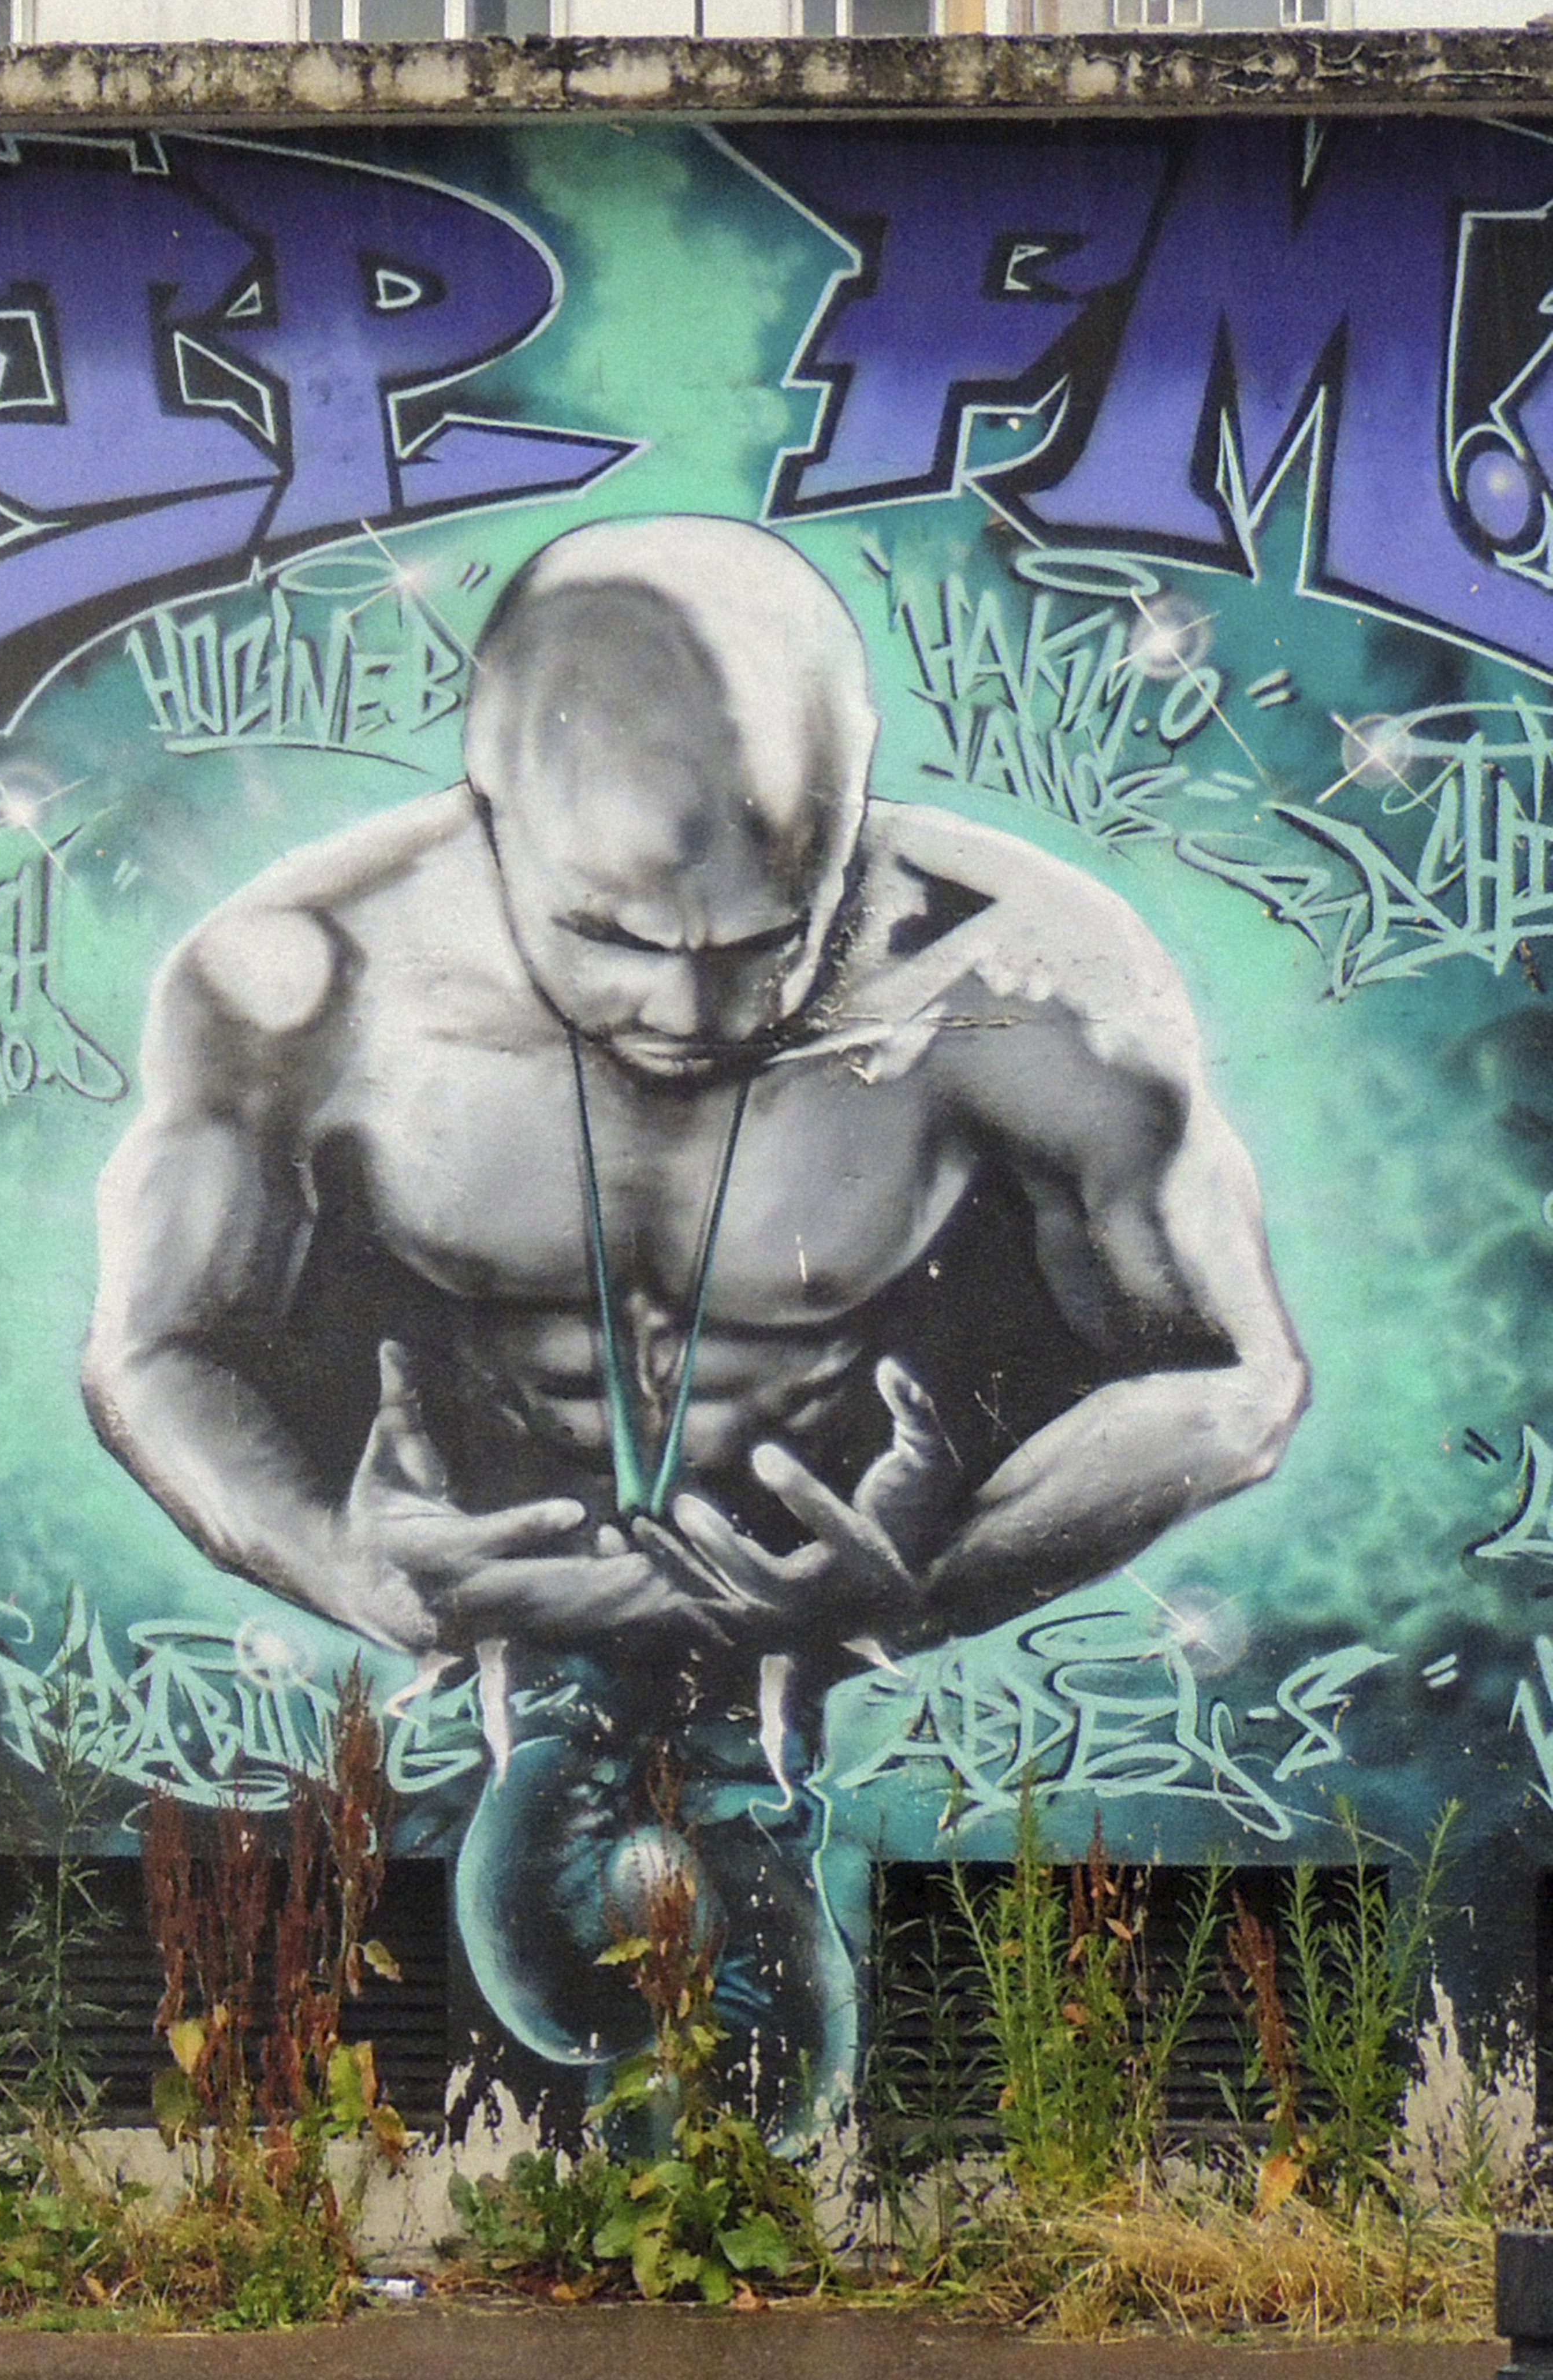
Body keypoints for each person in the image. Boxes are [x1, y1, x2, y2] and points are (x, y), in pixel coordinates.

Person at [76, 514, 1305, 2074]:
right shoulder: (303, 979)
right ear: (489, 808)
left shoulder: (1035, 985)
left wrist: (928, 1585)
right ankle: (579, 1727)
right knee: (572, 2000)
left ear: (854, 814)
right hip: (514, 1568)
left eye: (770, 937)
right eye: (609, 935)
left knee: (770, 2073)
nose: (698, 1008)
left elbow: (1233, 1379)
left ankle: (746, 1761)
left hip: (826, 1557)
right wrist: (355, 1570)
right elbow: (151, 1350)